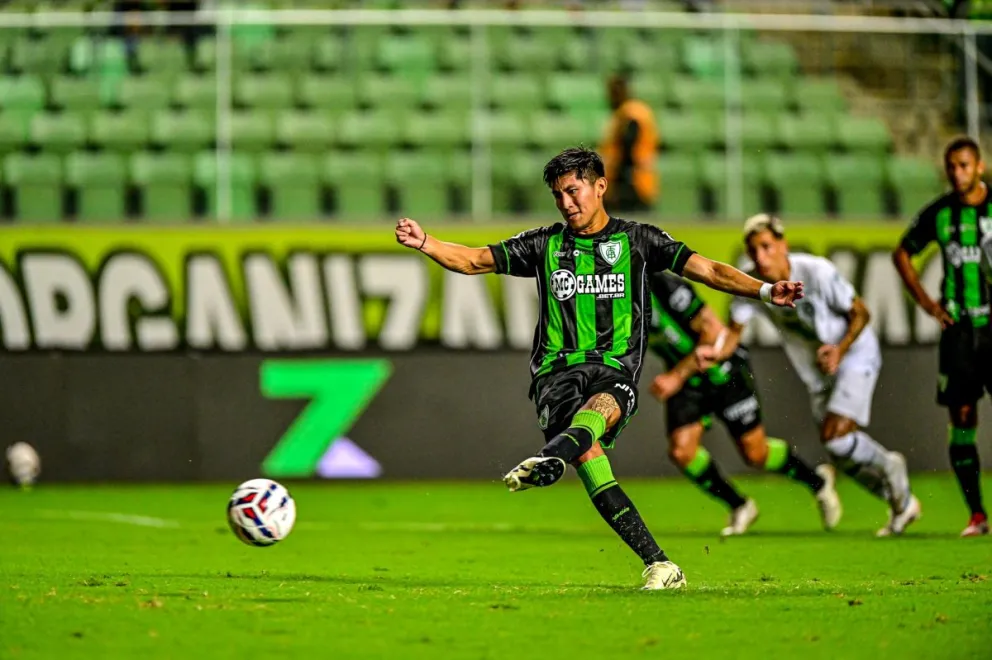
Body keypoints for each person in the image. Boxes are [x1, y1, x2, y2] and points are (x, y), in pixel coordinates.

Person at [395, 147, 804, 590]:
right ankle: (659, 563)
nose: (565, 203)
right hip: (555, 374)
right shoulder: (544, 244)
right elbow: (474, 260)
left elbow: (708, 270)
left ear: (600, 186)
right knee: (591, 458)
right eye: (558, 195)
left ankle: (553, 458)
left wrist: (765, 291)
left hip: (613, 369)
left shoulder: (638, 240)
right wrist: (426, 243)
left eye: (573, 191)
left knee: (602, 408)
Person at [698, 214, 921, 537]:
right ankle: (902, 502)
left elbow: (861, 312)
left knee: (836, 437)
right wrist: (716, 353)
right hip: (817, 371)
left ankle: (890, 466)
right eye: (753, 250)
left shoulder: (817, 271)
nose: (760, 256)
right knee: (841, 455)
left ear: (783, 244)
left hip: (853, 354)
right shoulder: (752, 283)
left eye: (766, 246)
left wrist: (840, 349)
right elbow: (733, 332)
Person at [646, 272, 841, 536]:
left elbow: (714, 332)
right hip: (688, 380)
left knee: (755, 454)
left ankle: (818, 482)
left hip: (721, 369)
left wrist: (676, 376)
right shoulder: (615, 298)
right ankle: (740, 505)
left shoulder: (662, 285)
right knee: (682, 451)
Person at [892, 136, 990, 537]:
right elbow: (902, 253)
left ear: (980, 166)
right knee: (961, 416)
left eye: (964, 165)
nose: (956, 173)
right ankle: (977, 515)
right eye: (951, 166)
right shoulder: (941, 212)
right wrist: (928, 305)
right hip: (959, 331)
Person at [600, 74, 659, 214]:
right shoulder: (640, 111)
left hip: (632, 182)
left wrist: (616, 181)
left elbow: (627, 149)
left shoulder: (629, 115)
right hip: (642, 179)